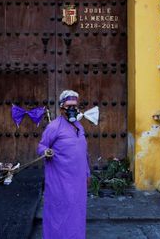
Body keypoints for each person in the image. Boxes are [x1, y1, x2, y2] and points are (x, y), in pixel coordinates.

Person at [37, 90, 91, 239]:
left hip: (78, 181)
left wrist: (87, 173)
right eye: (69, 105)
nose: (72, 108)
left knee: (77, 213)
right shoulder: (54, 127)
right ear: (62, 107)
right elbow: (41, 147)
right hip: (60, 182)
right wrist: (46, 151)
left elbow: (83, 152)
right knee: (59, 213)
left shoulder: (80, 127)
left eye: (75, 105)